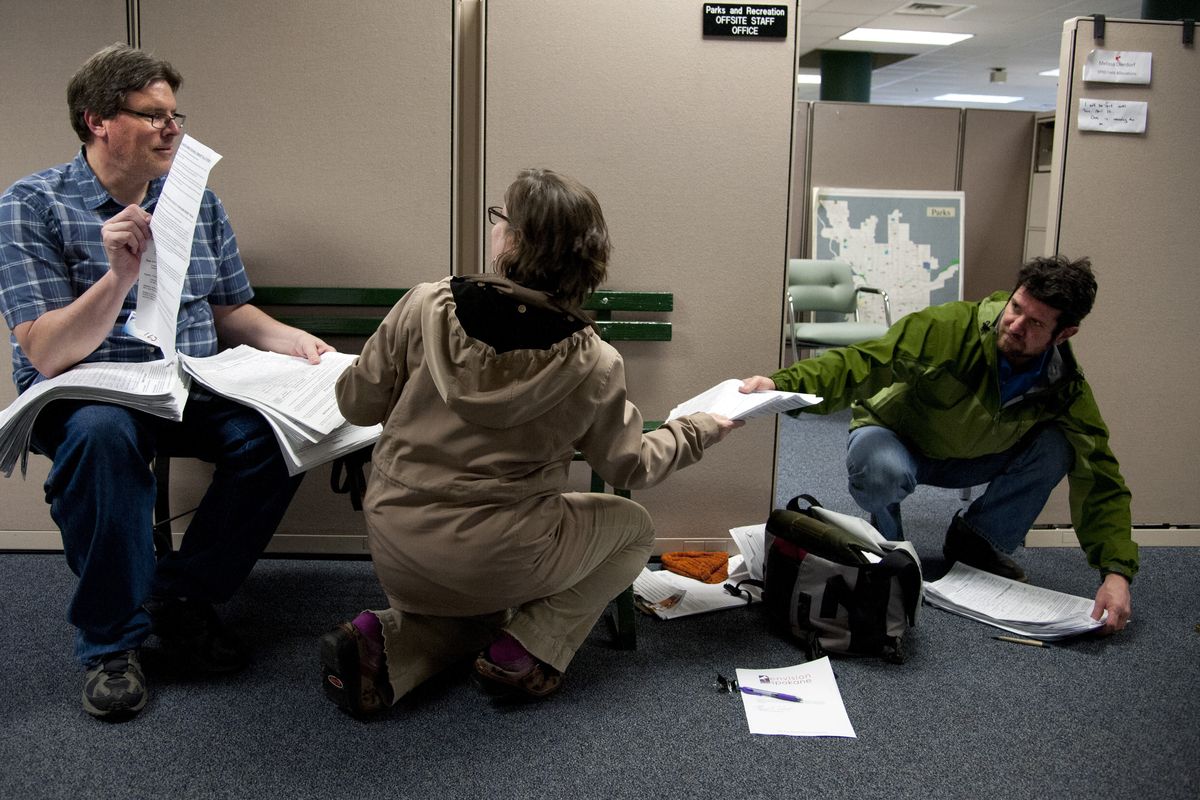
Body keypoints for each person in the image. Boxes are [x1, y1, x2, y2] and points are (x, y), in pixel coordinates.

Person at [321, 168, 740, 716]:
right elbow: (628, 466)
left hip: (398, 545)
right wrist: (702, 426)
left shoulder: (424, 305)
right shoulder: (593, 361)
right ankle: (528, 647)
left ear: (516, 240)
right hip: (505, 558)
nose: (495, 228)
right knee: (634, 530)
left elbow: (356, 405)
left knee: (476, 608)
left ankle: (386, 644)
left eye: (501, 218)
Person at [0, 44, 333, 719]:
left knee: (279, 436)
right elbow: (48, 351)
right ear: (97, 121)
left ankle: (181, 596)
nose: (173, 130)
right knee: (100, 438)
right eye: (153, 117)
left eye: (175, 115)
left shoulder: (195, 202)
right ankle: (110, 643)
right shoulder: (31, 205)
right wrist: (118, 274)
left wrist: (291, 342)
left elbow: (227, 307)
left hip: (189, 379)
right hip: (88, 387)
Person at [741, 255, 1135, 634]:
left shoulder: (1064, 384)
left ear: (1064, 334)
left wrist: (1115, 572)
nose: (1015, 324)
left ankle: (975, 542)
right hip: (899, 439)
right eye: (1015, 306)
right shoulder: (949, 329)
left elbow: (1100, 474)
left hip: (973, 455)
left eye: (1035, 323)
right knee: (880, 469)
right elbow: (864, 363)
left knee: (1060, 446)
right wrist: (783, 386)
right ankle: (888, 542)